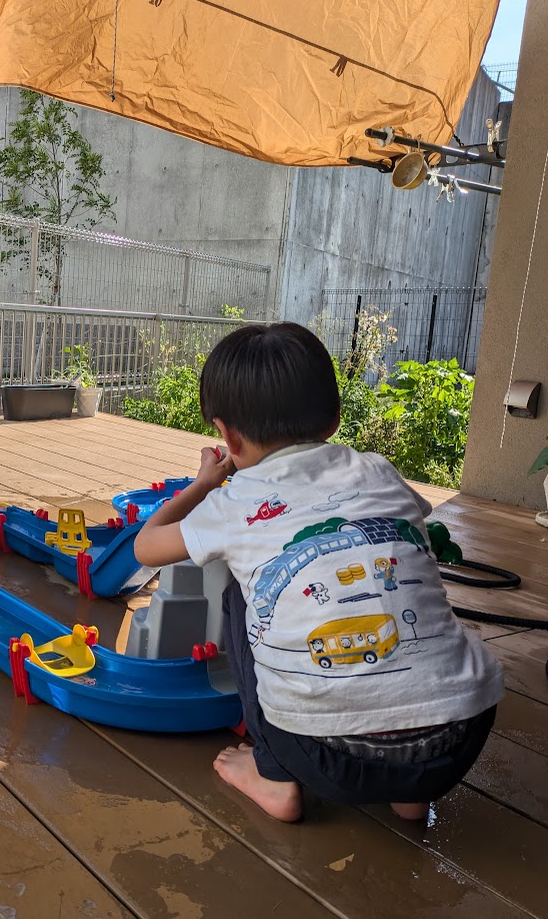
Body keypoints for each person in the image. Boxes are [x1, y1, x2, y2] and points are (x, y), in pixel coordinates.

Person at [134, 322, 504, 823]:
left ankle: (274, 779)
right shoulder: (377, 469)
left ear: (226, 434)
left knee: (243, 597)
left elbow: (145, 546)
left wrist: (204, 483)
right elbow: (417, 516)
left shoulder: (235, 500)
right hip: (458, 740)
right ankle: (412, 796)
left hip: (322, 756)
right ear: (333, 419)